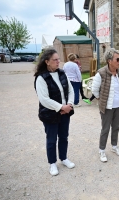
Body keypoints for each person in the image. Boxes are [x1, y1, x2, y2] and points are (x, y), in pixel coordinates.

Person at [34, 48, 75, 176]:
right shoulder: (41, 78)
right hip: (50, 114)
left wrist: (69, 104)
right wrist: (61, 107)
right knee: (51, 140)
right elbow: (44, 99)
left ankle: (64, 158)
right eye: (55, 60)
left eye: (58, 59)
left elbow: (70, 90)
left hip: (65, 112)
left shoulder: (62, 73)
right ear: (47, 61)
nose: (58, 62)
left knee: (63, 137)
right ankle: (52, 163)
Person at [92, 48, 119, 162]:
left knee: (115, 127)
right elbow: (95, 90)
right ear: (109, 60)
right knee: (105, 129)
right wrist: (101, 100)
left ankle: (114, 146)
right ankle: (102, 150)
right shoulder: (101, 73)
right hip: (107, 107)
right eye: (117, 59)